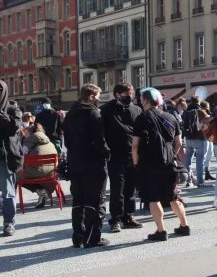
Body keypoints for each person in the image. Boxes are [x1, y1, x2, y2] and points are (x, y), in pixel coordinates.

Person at [132, 88, 191, 241]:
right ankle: (184, 226)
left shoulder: (141, 118)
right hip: (169, 163)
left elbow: (135, 146)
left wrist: (136, 164)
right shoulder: (170, 117)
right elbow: (178, 142)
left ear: (145, 100)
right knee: (173, 196)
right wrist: (172, 155)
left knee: (153, 198)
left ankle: (161, 230)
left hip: (148, 164)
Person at [63, 84, 110, 248]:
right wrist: (106, 153)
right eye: (97, 96)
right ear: (91, 96)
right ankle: (92, 238)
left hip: (75, 161)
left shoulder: (70, 113)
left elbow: (67, 140)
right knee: (95, 201)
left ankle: (78, 237)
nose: (98, 99)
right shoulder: (93, 112)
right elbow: (100, 140)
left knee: (78, 201)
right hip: (93, 162)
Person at [101, 83, 143, 232]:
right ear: (117, 95)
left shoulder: (136, 109)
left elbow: (141, 131)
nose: (129, 96)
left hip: (133, 154)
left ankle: (128, 216)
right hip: (115, 154)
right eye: (126, 94)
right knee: (117, 188)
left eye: (130, 93)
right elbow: (102, 133)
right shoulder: (106, 110)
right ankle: (115, 219)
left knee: (131, 187)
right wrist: (106, 150)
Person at [0, 81, 23, 236]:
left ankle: (9, 223)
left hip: (5, 158)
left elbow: (13, 128)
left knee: (8, 192)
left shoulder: (13, 110)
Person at [22, 123, 57, 208]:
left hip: (37, 173)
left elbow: (22, 156)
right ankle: (42, 193)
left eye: (26, 133)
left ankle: (40, 190)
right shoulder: (49, 142)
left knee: (15, 176)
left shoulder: (28, 141)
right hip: (51, 174)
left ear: (30, 132)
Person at [181, 97, 210, 188]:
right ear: (198, 102)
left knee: (187, 160)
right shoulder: (200, 111)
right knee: (199, 161)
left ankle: (188, 181)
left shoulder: (186, 112)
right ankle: (200, 181)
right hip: (199, 138)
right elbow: (208, 122)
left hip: (188, 138)